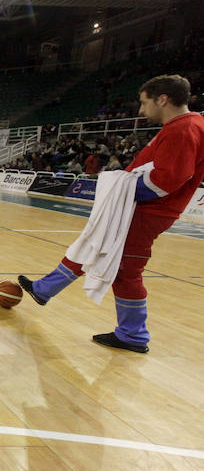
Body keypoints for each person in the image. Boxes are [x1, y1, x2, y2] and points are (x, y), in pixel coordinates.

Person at [19, 74, 204, 353]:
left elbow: (167, 180)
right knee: (95, 245)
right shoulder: (187, 125)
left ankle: (133, 335)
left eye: (144, 103)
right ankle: (43, 289)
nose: (141, 110)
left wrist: (121, 190)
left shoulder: (184, 128)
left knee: (126, 271)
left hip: (147, 212)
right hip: (141, 209)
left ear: (163, 99)